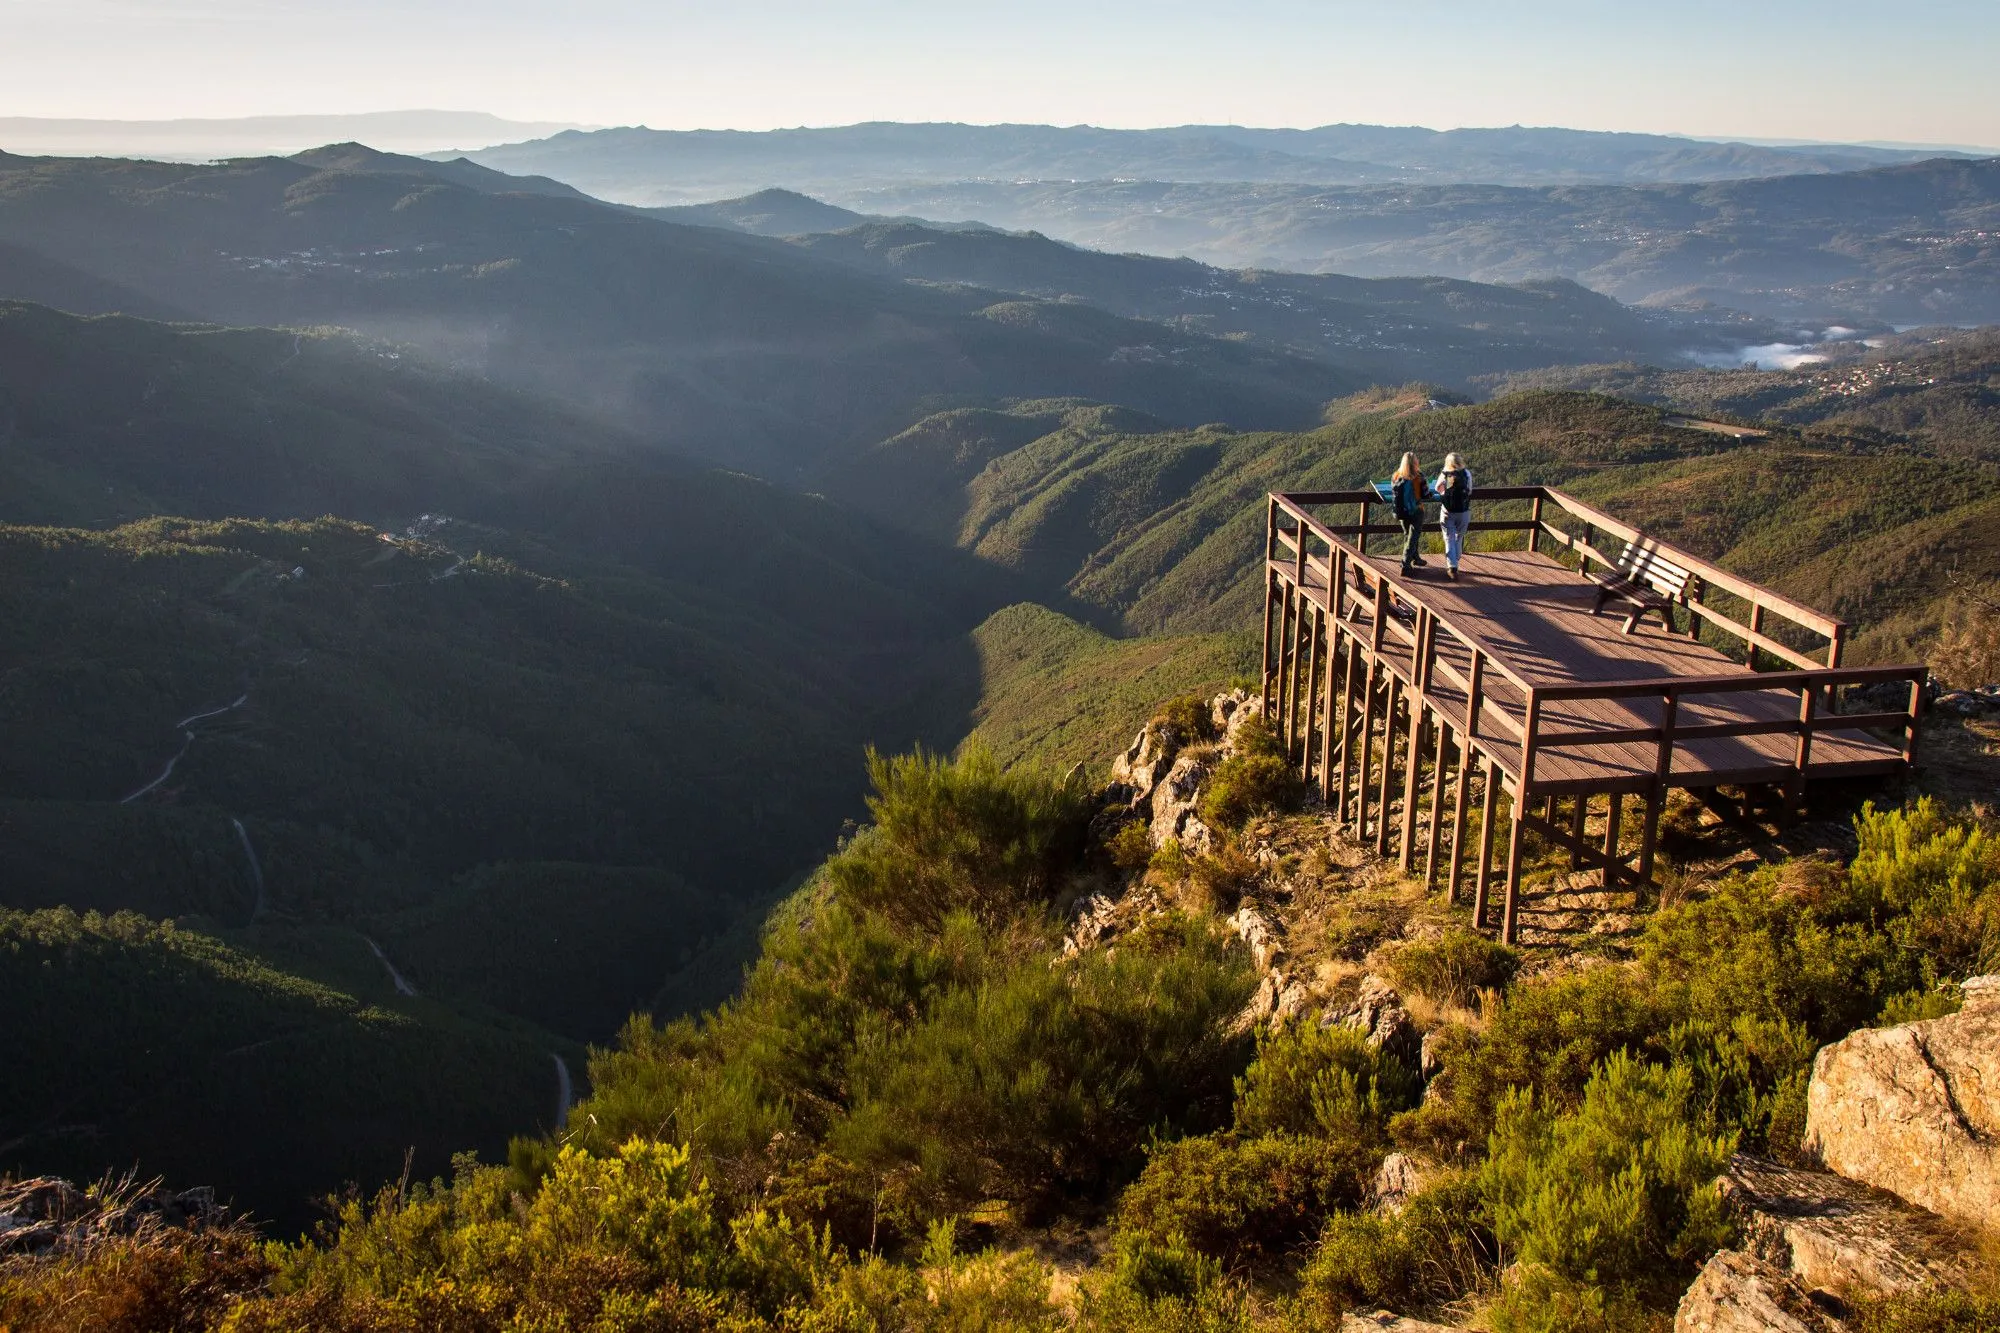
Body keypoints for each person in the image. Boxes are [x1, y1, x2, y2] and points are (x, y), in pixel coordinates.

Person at [1433, 452, 1474, 579]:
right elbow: (1470, 490)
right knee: (1459, 537)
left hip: (1448, 511)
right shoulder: (1466, 473)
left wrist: (1445, 492)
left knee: (1448, 537)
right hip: (1463, 511)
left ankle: (1452, 566)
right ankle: (1456, 559)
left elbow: (1437, 488)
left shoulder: (1445, 473)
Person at [1390, 452, 1432, 575]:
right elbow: (1425, 494)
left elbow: (1394, 492)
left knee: (1408, 535)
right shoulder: (1419, 476)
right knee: (1413, 536)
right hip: (1416, 510)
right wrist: (1430, 494)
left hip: (1401, 511)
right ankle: (1405, 564)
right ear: (1415, 463)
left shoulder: (1396, 476)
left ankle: (1416, 558)